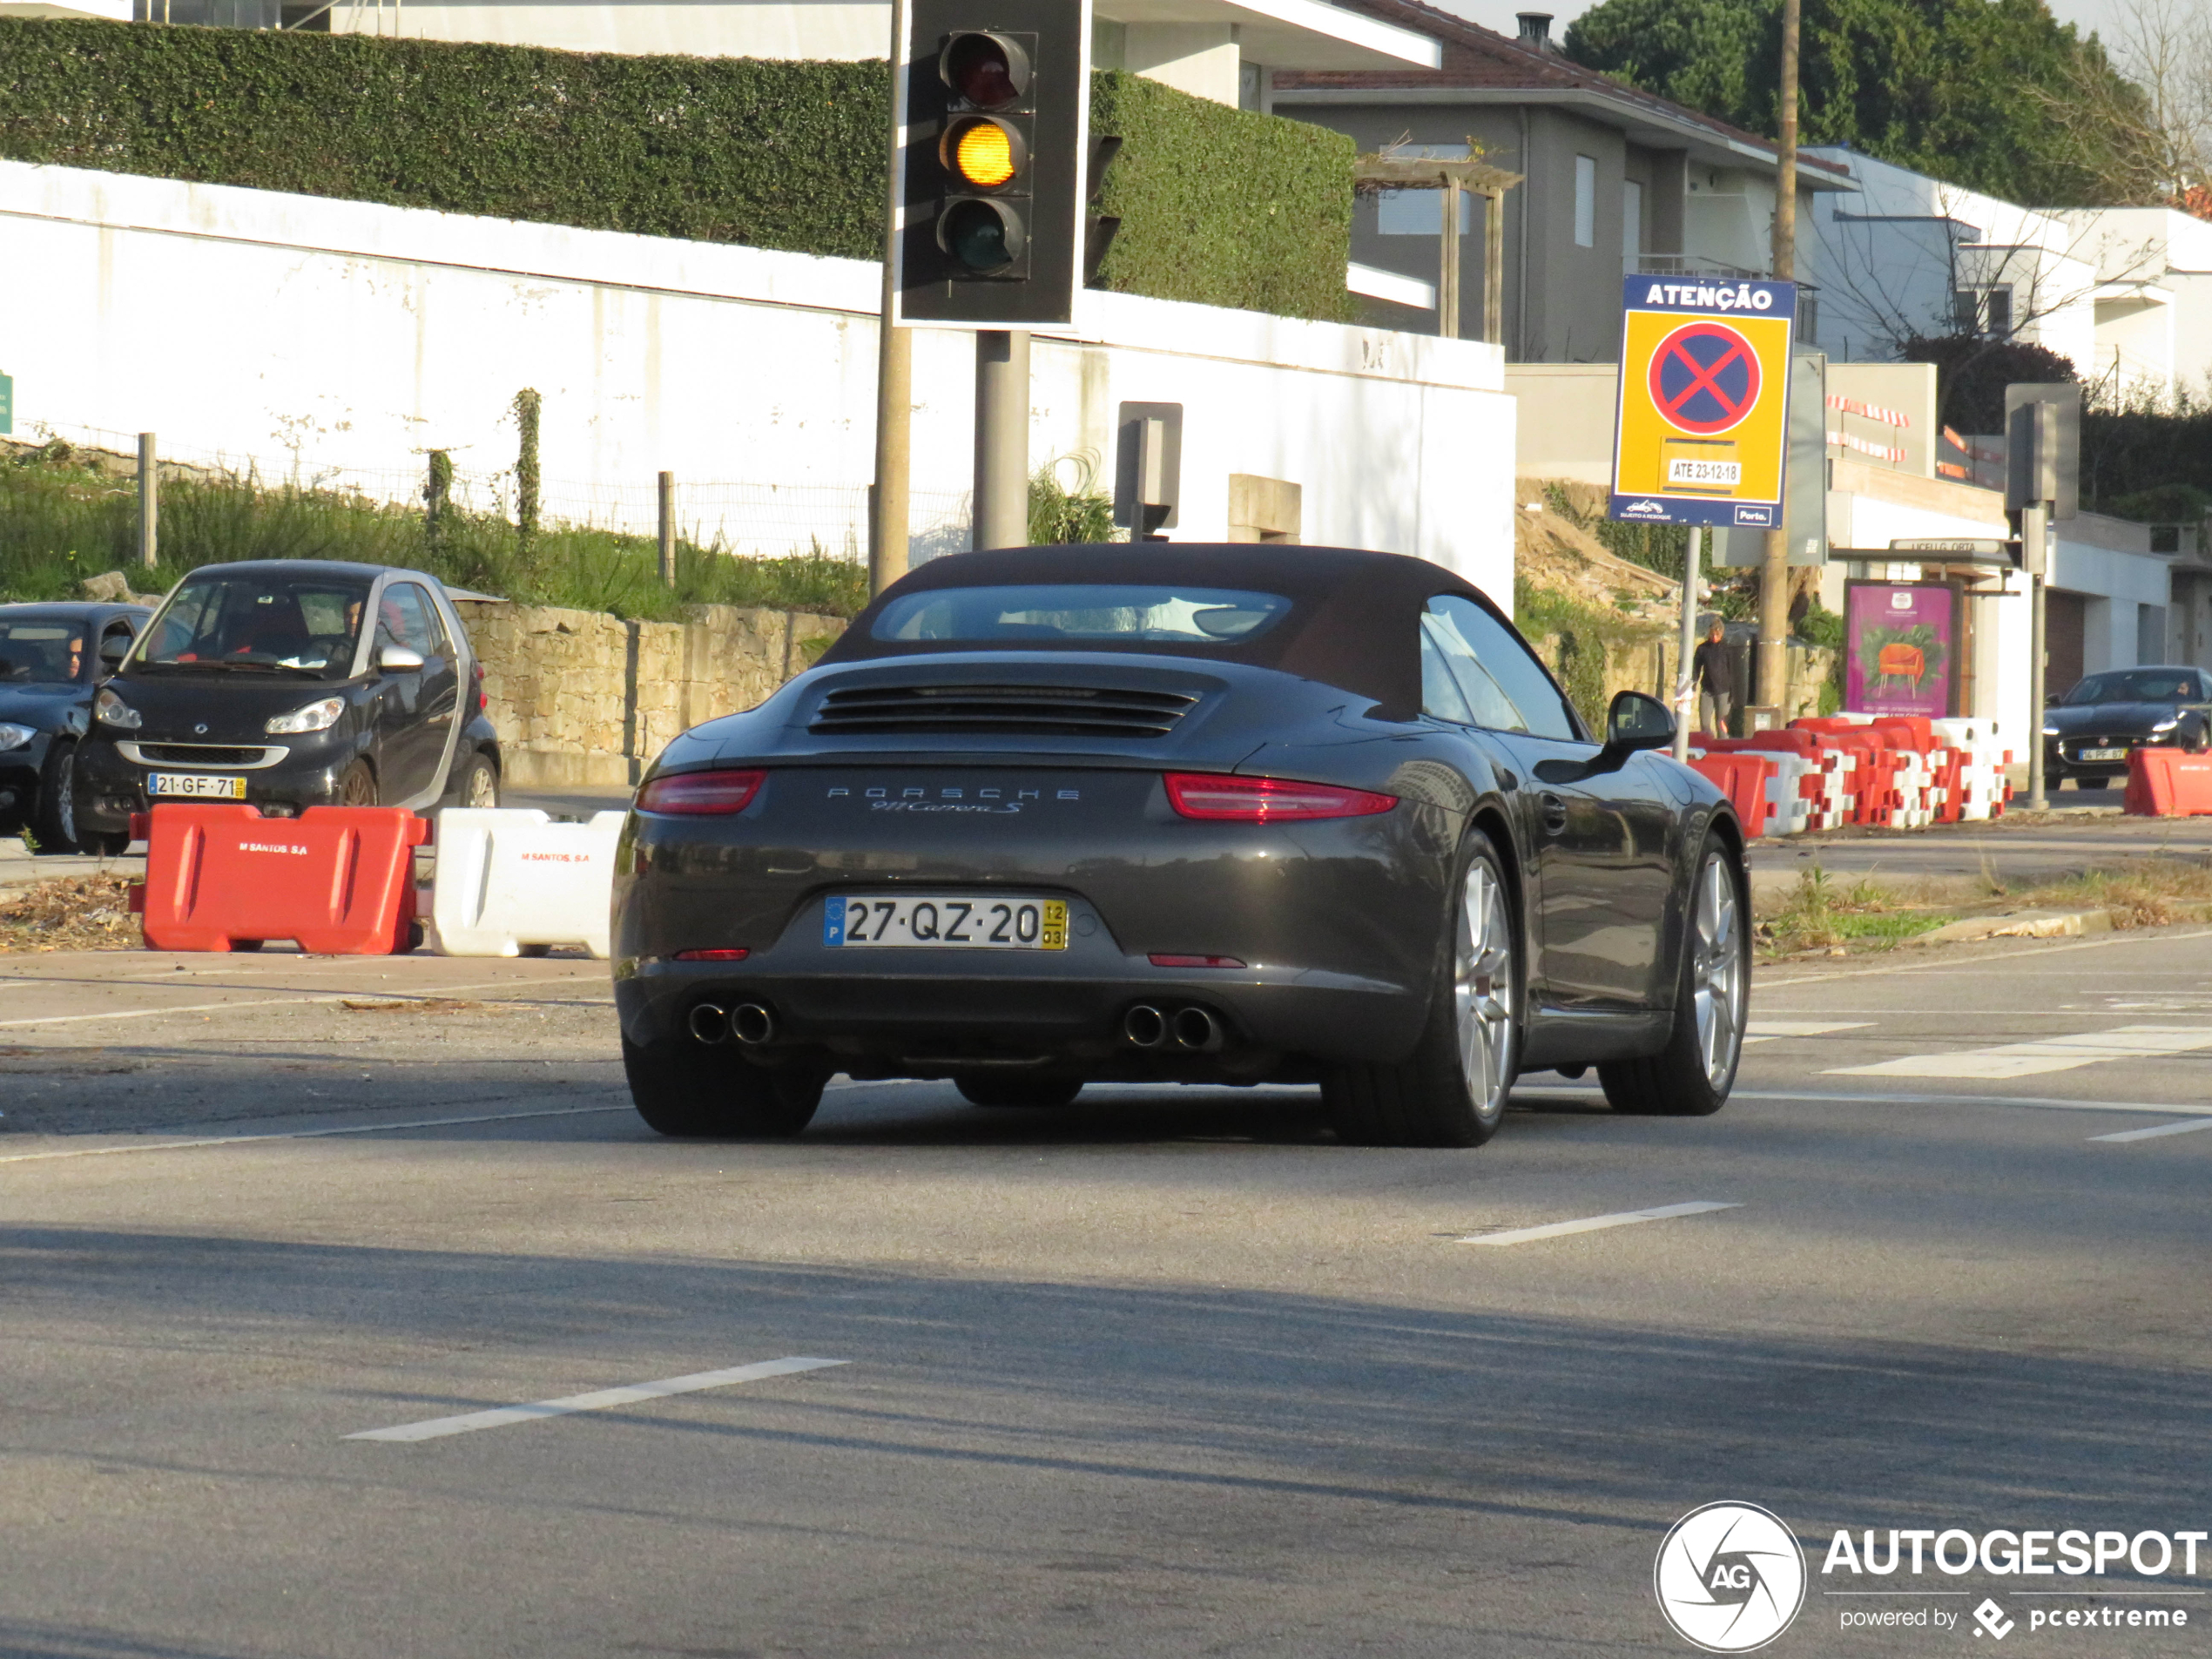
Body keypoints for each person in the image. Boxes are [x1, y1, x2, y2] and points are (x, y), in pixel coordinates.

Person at [1692, 620, 1735, 739]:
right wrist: (1693, 688)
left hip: (1724, 691)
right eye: (1712, 634)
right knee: (1704, 724)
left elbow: (1733, 671)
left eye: (1717, 634)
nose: (1714, 637)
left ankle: (1724, 751)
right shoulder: (1702, 649)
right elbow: (1695, 669)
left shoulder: (1728, 648)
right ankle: (1707, 747)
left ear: (1722, 634)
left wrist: (1733, 693)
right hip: (1707, 691)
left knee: (1721, 724)